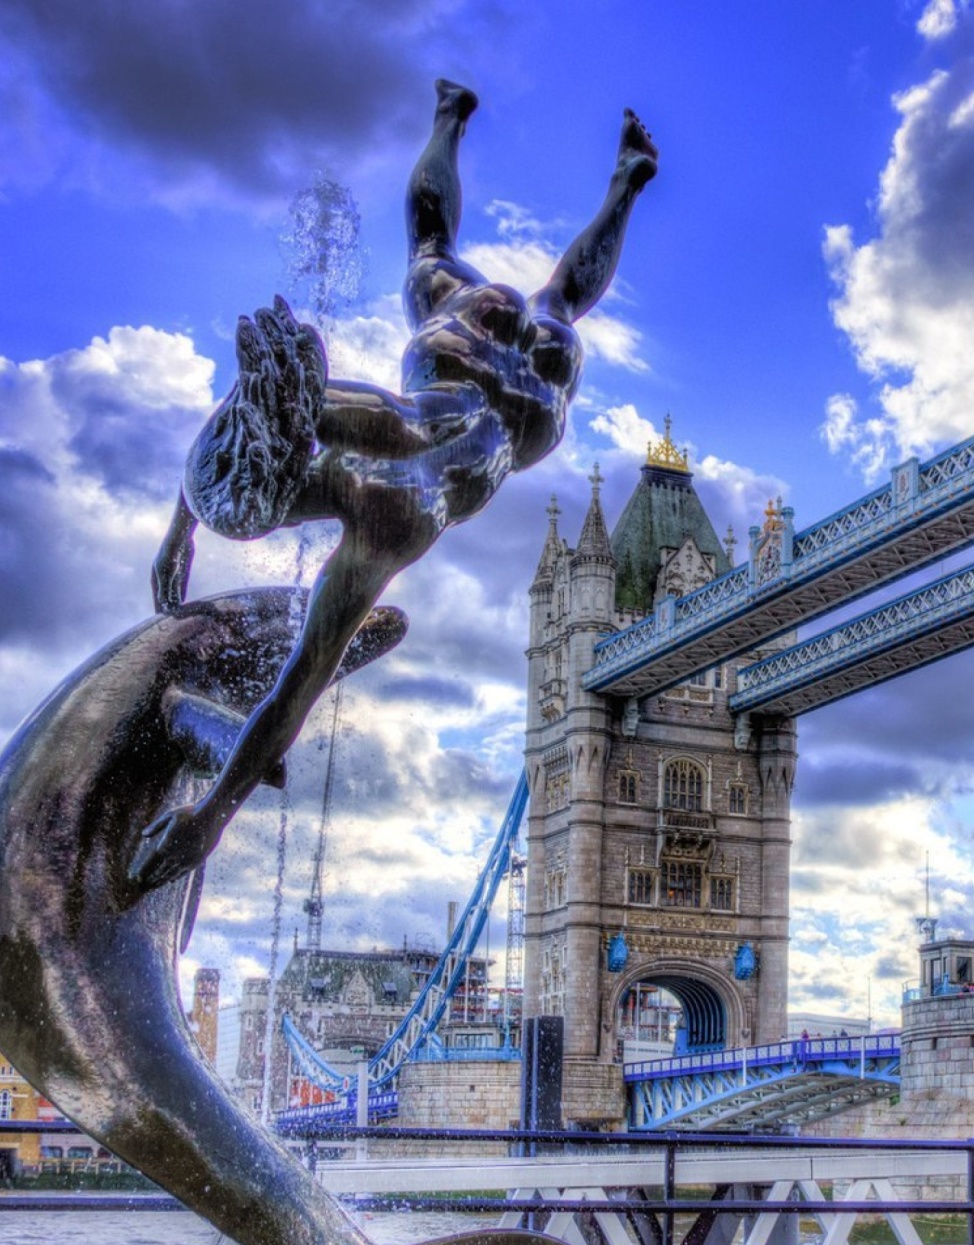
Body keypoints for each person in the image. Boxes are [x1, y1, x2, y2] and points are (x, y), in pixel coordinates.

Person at [133, 81, 657, 887]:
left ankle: (621, 180)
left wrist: (206, 826)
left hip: (529, 402)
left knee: (558, 302)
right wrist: (182, 528)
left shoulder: (389, 525)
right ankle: (461, 119)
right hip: (468, 353)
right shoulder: (336, 417)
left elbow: (292, 697)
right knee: (437, 250)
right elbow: (253, 424)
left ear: (292, 501)